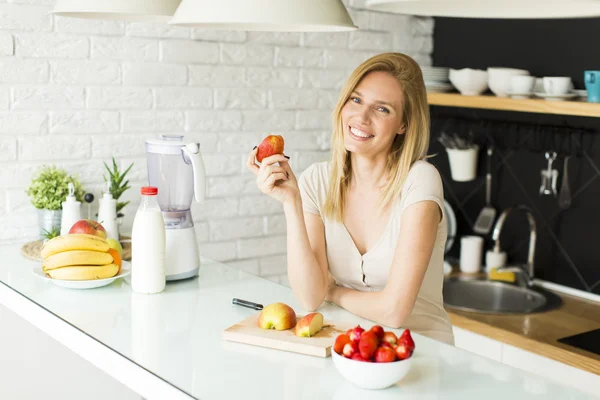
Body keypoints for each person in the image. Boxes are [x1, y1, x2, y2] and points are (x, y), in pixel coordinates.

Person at [246, 52, 454, 345]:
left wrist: (333, 291)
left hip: (422, 353)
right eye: (356, 100)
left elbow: (394, 312)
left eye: (382, 109)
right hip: (352, 349)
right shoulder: (317, 181)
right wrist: (291, 203)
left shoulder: (419, 181)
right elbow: (309, 297)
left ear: (404, 124)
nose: (362, 117)